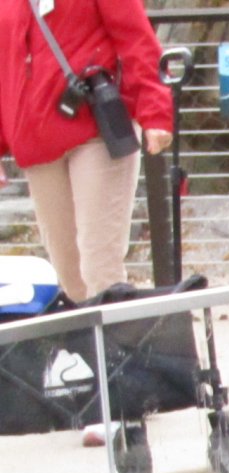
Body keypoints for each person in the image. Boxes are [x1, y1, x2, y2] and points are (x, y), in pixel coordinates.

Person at [0, 0, 174, 302]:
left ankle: (113, 332)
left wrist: (155, 111)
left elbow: (136, 39)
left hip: (96, 130)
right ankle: (88, 334)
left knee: (99, 264)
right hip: (37, 144)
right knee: (68, 271)